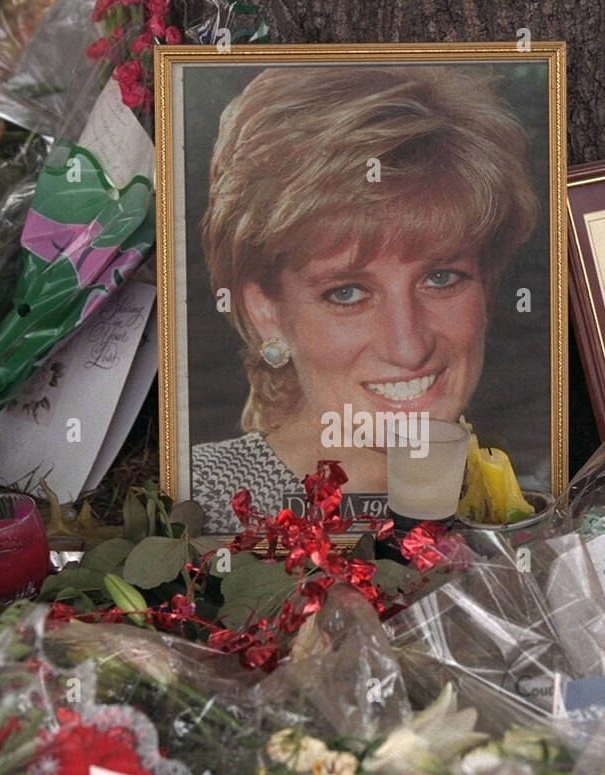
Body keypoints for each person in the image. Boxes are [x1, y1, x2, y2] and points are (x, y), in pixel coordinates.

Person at [192, 64, 537, 531]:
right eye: (347, 292)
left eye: (441, 278)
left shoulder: (526, 497)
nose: (407, 346)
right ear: (265, 312)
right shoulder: (200, 505)